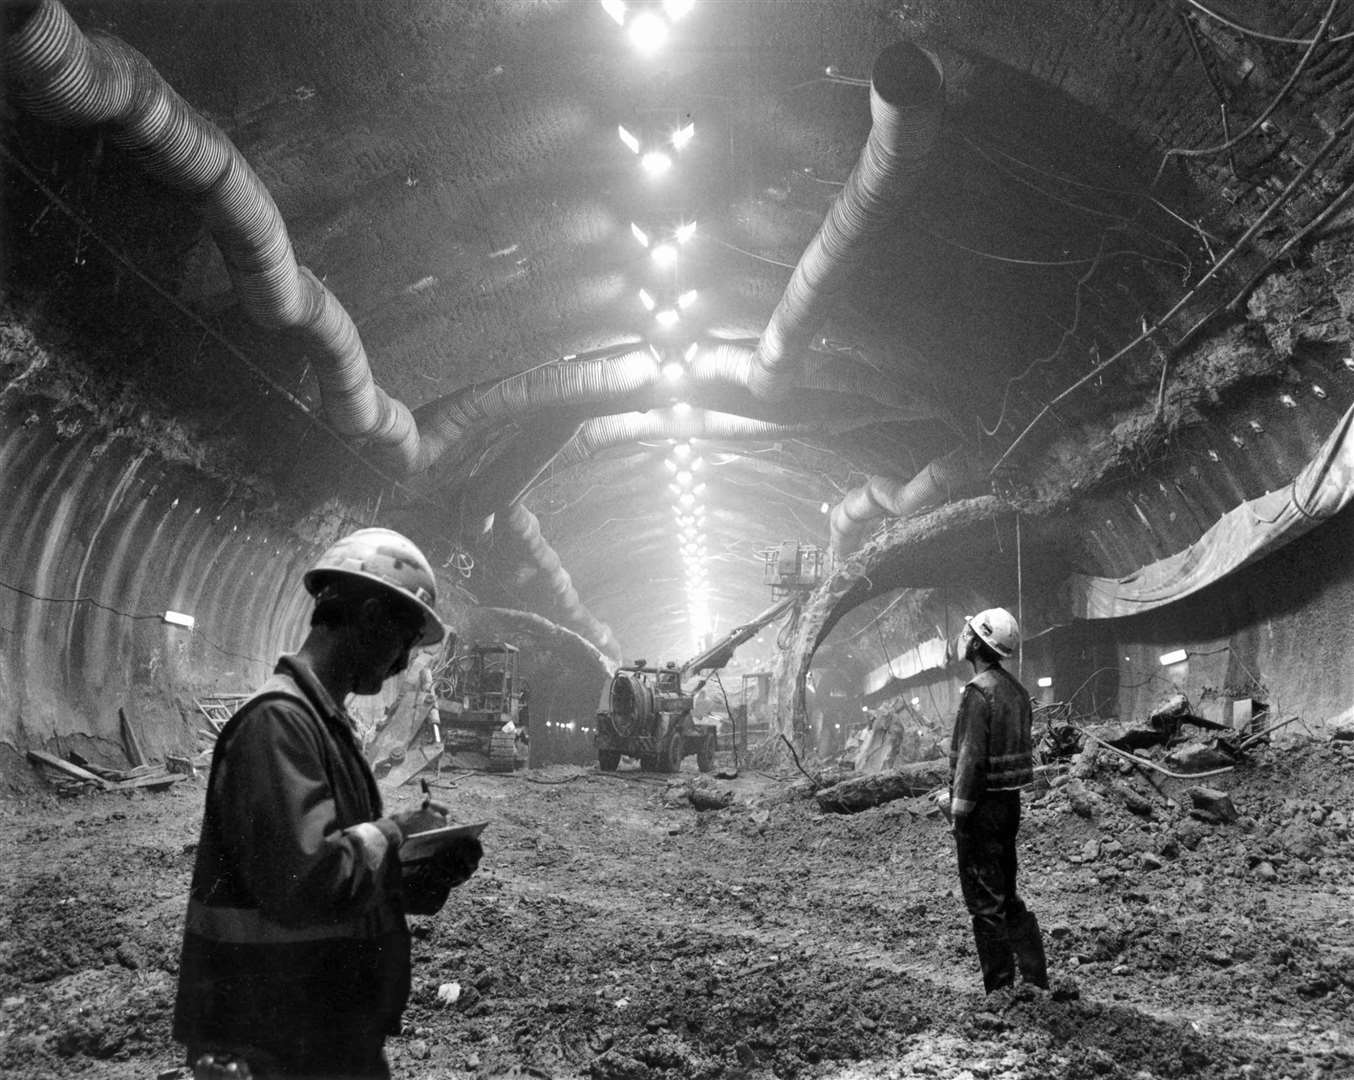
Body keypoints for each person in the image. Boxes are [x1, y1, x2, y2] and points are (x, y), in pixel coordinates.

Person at [173, 528, 484, 1079]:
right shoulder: (278, 724)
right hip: (271, 1036)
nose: (400, 665)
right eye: (404, 641)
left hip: (321, 1025)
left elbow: (340, 884)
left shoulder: (322, 725)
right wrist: (393, 833)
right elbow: (306, 880)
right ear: (368, 616)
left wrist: (421, 874)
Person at [946, 607, 1048, 996]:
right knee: (1006, 894)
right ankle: (1035, 977)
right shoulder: (1017, 692)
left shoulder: (978, 692)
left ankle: (1002, 992)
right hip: (1009, 807)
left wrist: (959, 812)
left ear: (976, 642)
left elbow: (972, 758)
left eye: (967, 632)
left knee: (984, 903)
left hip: (981, 810)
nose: (963, 637)